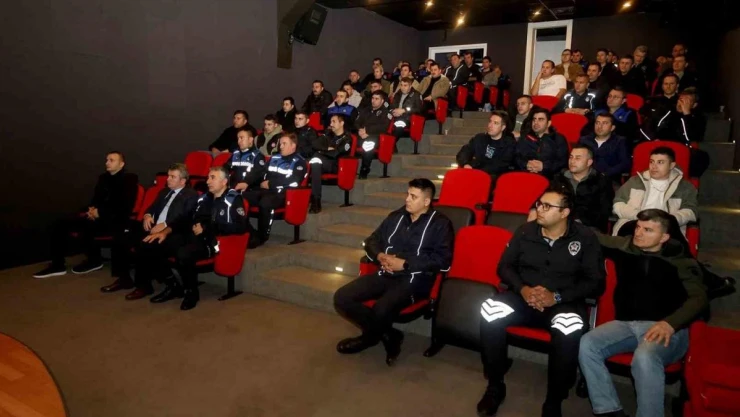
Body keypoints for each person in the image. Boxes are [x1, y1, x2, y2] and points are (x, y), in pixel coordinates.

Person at [476, 185, 605, 417]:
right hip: (523, 298)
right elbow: (504, 267)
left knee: (568, 327)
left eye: (547, 206)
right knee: (489, 311)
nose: (540, 210)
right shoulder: (526, 231)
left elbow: (595, 283)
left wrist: (556, 297)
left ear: (565, 213)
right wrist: (523, 289)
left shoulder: (585, 238)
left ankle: (554, 399)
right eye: (539, 204)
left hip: (563, 302)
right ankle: (495, 385)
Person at [579, 209, 708, 417]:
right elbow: (593, 236)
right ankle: (609, 410)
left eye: (648, 230)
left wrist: (670, 323)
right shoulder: (625, 247)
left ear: (664, 237)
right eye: (638, 227)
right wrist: (566, 220)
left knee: (645, 356)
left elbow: (699, 299)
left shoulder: (681, 261)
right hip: (626, 324)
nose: (638, 233)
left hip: (667, 328)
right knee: (587, 344)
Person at [334, 178, 454, 366]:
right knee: (342, 297)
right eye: (407, 194)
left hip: (415, 280)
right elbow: (372, 240)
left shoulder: (440, 224)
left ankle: (369, 338)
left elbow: (443, 261)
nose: (407, 199)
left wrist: (405, 264)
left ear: (426, 201)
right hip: (386, 273)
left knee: (381, 308)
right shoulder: (396, 216)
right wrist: (380, 255)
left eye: (413, 196)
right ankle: (388, 334)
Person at [33, 151, 139, 279]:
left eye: (111, 160)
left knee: (87, 227)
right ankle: (58, 265)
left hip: (115, 220)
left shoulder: (129, 179)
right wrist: (91, 210)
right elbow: (96, 199)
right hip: (97, 217)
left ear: (121, 164)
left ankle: (94, 260)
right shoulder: (103, 178)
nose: (107, 163)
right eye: (106, 160)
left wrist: (99, 212)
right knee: (60, 224)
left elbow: (124, 206)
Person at [111, 163, 198, 299]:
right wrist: (147, 215)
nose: (168, 179)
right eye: (168, 176)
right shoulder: (164, 192)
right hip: (153, 226)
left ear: (182, 181)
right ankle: (124, 278)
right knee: (121, 236)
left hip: (173, 231)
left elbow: (184, 217)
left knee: (146, 245)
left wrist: (165, 225)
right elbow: (152, 207)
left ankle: (145, 286)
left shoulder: (191, 195)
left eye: (172, 177)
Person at [172, 166, 248, 310]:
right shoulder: (205, 198)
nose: (208, 181)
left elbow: (240, 227)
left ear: (224, 182)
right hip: (197, 237)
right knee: (168, 242)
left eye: (213, 178)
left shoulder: (233, 199)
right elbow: (194, 216)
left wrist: (206, 228)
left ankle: (191, 293)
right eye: (208, 177)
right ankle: (174, 285)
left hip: (215, 242)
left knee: (184, 253)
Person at [613, 147, 698, 236]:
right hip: (634, 223)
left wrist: (668, 220)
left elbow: (691, 211)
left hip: (666, 228)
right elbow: (618, 204)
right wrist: (638, 215)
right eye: (651, 162)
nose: (654, 166)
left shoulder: (684, 187)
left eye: (660, 162)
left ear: (671, 165)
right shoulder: (634, 181)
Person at [528, 145, 614, 232]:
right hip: (560, 222)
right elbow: (545, 197)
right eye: (571, 157)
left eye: (577, 158)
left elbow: (604, 211)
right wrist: (534, 209)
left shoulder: (601, 181)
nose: (572, 161)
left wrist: (578, 221)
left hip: (588, 227)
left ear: (589, 162)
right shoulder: (560, 178)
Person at [243, 133, 308, 248]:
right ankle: (249, 232)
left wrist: (270, 183)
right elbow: (262, 173)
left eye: (284, 144)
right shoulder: (274, 158)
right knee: (240, 198)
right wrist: (246, 182)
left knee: (265, 203)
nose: (280, 146)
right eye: (280, 144)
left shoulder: (299, 161)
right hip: (265, 191)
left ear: (293, 146)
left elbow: (293, 181)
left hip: (283, 194)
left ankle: (262, 237)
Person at [308, 114, 353, 214]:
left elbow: (335, 154)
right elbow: (314, 144)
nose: (331, 124)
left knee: (316, 158)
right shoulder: (328, 134)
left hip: (338, 166)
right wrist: (326, 149)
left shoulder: (347, 138)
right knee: (315, 164)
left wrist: (321, 152)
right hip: (324, 163)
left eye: (334, 122)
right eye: (330, 121)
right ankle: (316, 200)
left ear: (341, 123)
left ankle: (315, 199)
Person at [456, 111, 515, 184]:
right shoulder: (479, 138)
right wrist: (465, 164)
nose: (490, 125)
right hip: (474, 174)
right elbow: (464, 152)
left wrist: (477, 171)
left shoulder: (509, 144)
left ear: (503, 127)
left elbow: (500, 166)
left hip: (493, 179)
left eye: (495, 123)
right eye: (490, 121)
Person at [515, 108, 569, 178]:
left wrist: (543, 166)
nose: (536, 122)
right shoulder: (525, 138)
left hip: (550, 178)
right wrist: (526, 164)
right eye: (534, 119)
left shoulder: (558, 139)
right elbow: (516, 158)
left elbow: (563, 162)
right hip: (526, 175)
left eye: (540, 119)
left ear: (548, 123)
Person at [578, 113, 631, 181]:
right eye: (597, 123)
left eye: (605, 123)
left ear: (612, 128)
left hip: (608, 180)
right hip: (584, 179)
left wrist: (604, 174)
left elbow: (624, 164)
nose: (599, 126)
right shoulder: (584, 140)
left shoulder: (620, 142)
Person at [355, 90, 392, 179]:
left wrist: (367, 131)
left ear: (382, 101)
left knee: (368, 144)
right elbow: (357, 122)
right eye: (373, 98)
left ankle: (364, 169)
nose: (373, 100)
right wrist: (360, 130)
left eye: (376, 99)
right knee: (349, 140)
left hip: (376, 137)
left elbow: (383, 127)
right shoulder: (366, 110)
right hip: (362, 135)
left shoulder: (385, 112)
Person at [224, 127, 267, 191]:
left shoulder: (257, 156)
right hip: (233, 187)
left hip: (250, 189)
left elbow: (258, 174)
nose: (239, 141)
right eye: (238, 138)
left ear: (250, 139)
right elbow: (226, 168)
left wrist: (246, 182)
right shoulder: (236, 154)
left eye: (241, 138)